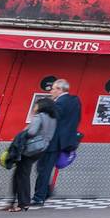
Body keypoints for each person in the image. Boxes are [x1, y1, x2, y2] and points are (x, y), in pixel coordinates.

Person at [32, 78, 82, 207]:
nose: (51, 91)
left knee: (43, 169)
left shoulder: (59, 103)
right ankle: (46, 191)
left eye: (53, 88)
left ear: (60, 89)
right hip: (65, 141)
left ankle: (39, 197)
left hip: (53, 141)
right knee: (44, 168)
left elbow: (54, 121)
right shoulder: (75, 101)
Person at [8, 98, 57, 212]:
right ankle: (14, 201)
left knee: (22, 175)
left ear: (41, 106)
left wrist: (20, 137)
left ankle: (23, 204)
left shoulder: (38, 117)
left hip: (30, 149)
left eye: (36, 105)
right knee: (20, 174)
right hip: (41, 149)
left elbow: (31, 132)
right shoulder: (53, 119)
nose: (34, 108)